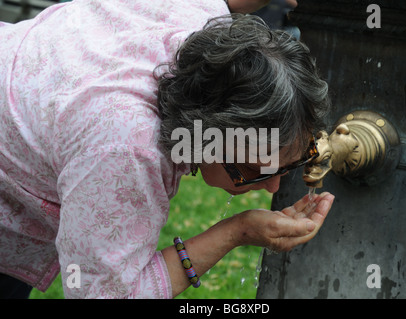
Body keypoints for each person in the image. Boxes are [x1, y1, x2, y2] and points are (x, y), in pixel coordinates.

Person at [0, 0, 334, 299]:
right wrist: (237, 231)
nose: (274, 187)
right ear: (206, 136)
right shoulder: (127, 148)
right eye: (256, 170)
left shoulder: (205, 24)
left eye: (298, 159)